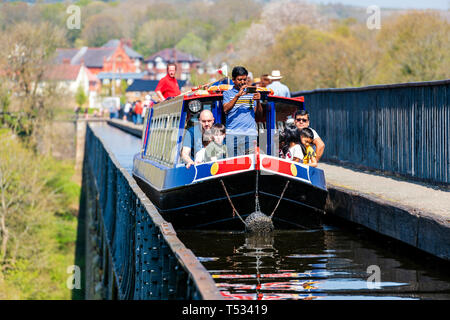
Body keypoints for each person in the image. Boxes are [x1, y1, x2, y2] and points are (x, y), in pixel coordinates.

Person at [222, 66, 263, 157]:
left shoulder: (251, 92)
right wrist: (237, 96)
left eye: (245, 79)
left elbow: (259, 115)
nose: (243, 82)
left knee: (251, 162)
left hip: (250, 134)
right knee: (233, 164)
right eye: (239, 80)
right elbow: (225, 109)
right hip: (233, 134)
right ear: (233, 80)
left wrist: (258, 101)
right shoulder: (227, 93)